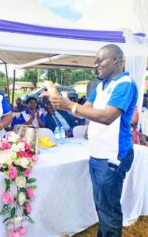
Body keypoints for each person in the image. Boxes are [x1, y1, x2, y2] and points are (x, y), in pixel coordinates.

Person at [50, 44, 138, 236]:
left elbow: (107, 117)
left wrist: (71, 105)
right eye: (95, 61)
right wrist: (63, 104)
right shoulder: (101, 86)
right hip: (97, 154)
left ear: (115, 60)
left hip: (113, 155)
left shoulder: (125, 84)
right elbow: (85, 111)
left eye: (100, 61)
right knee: (102, 205)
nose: (96, 65)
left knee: (109, 209)